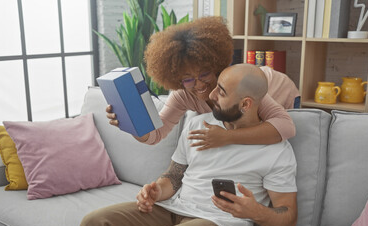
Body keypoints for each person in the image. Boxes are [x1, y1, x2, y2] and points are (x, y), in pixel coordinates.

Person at [78, 64, 298, 226]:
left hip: (219, 223)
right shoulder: (198, 123)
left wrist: (255, 211)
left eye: (221, 92)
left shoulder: (276, 150)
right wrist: (156, 191)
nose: (210, 95)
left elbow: (288, 217)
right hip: (172, 209)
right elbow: (174, 175)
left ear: (245, 105)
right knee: (95, 222)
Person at [106, 16, 299, 150]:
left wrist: (227, 137)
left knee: (281, 145)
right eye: (188, 78)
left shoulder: (237, 85)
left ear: (216, 64)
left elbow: (286, 127)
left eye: (205, 74)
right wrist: (131, 124)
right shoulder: (182, 95)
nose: (199, 85)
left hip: (282, 90)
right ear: (177, 79)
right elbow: (156, 135)